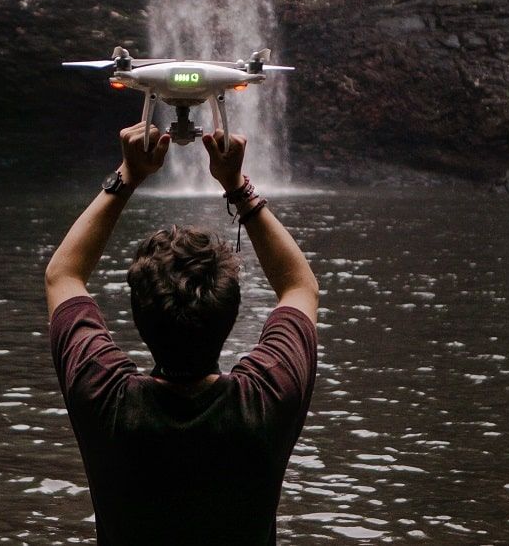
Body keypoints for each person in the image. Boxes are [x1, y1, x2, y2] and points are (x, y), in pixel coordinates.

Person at [45, 122, 319, 545]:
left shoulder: (104, 399)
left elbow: (63, 274)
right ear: (231, 313)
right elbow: (299, 285)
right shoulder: (268, 400)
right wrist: (236, 185)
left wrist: (127, 175)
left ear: (137, 316)